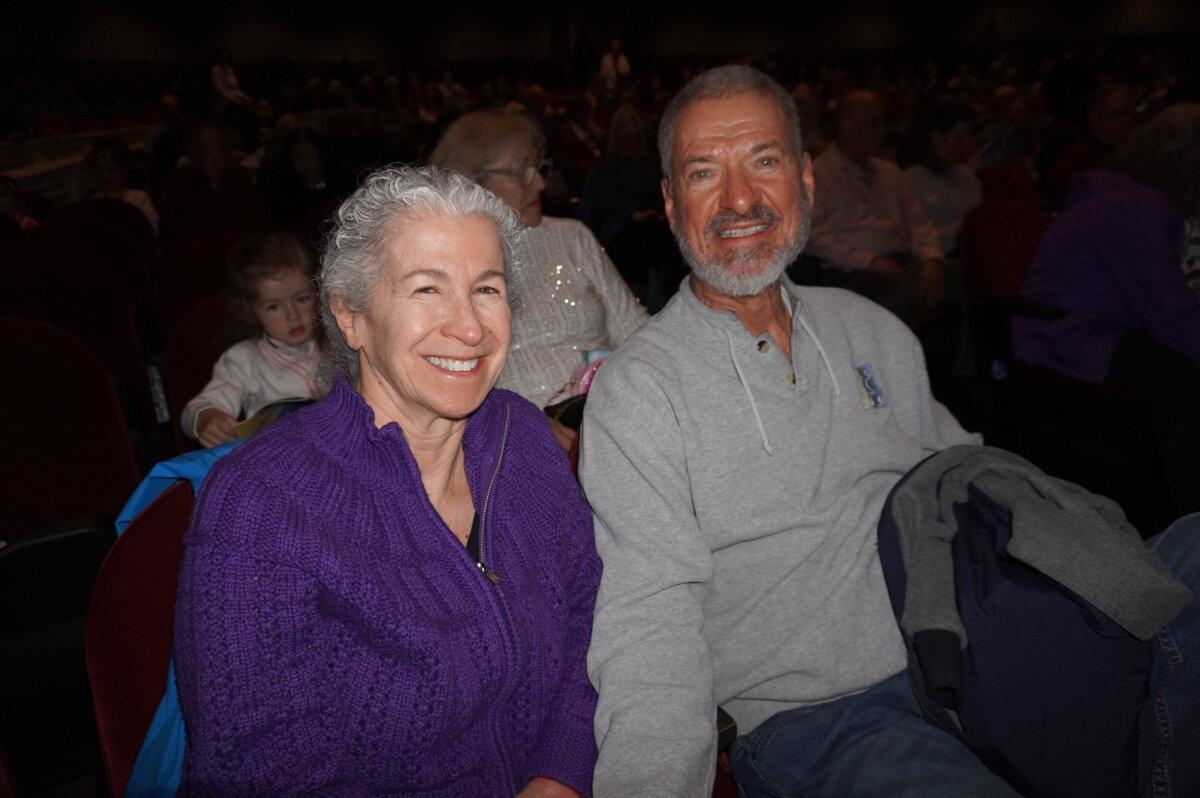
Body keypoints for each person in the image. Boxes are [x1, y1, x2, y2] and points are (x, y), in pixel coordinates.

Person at [580, 64, 1200, 798]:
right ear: (670, 203)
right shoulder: (640, 391)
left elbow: (962, 477)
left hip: (972, 641)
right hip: (826, 717)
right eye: (704, 172)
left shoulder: (873, 329)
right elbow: (648, 623)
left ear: (805, 180)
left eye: (765, 162)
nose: (740, 199)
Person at [172, 165, 600, 796]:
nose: (471, 328)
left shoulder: (523, 437)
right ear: (351, 317)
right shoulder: (260, 505)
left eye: (486, 289)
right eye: (427, 289)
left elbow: (589, 616)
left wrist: (559, 774)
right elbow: (258, 772)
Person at [1013, 103, 1200, 518]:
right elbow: (1168, 311)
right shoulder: (1133, 208)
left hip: (1086, 328)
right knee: (1183, 368)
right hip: (1061, 338)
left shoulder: (1131, 198)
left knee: (1177, 356)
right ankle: (1188, 511)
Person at [429, 110, 647, 449]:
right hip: (515, 443)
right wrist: (525, 425)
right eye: (520, 171)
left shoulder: (572, 237)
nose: (540, 183)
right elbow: (439, 387)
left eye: (538, 167)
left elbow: (637, 332)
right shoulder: (443, 266)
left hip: (616, 415)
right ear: (472, 181)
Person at [806, 89, 945, 321]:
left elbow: (918, 220)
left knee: (958, 275)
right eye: (873, 122)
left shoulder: (890, 172)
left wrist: (931, 258)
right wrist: (868, 261)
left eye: (882, 121)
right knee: (900, 287)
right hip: (850, 272)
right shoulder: (818, 175)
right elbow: (813, 236)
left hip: (903, 261)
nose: (882, 130)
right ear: (847, 126)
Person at [181, 232, 324, 448]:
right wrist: (207, 418)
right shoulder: (243, 359)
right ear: (252, 311)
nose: (292, 316)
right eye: (273, 307)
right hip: (278, 458)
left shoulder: (340, 341)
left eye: (302, 299)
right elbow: (197, 408)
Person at [898, 99, 982, 255]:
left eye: (966, 138)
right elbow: (916, 238)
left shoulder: (967, 176)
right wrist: (961, 230)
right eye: (958, 139)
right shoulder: (909, 181)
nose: (963, 145)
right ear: (936, 138)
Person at [82, 138, 160, 234]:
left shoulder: (140, 199)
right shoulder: (94, 201)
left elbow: (151, 229)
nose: (105, 176)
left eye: (112, 171)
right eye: (99, 171)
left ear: (123, 173)